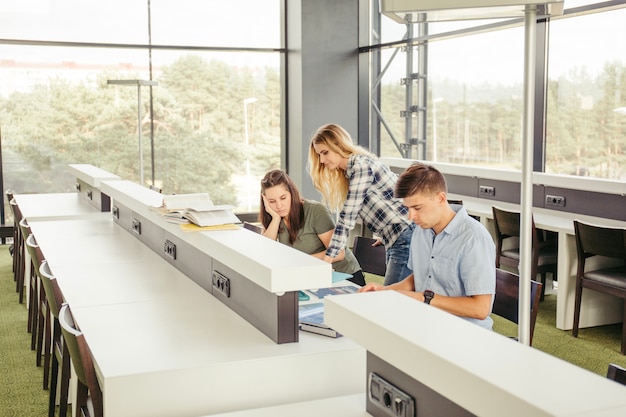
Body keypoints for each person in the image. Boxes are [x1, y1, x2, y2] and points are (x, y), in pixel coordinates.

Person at [359, 162, 496, 330]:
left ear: (441, 198)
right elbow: (419, 277)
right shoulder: (420, 231)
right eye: (408, 208)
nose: (411, 216)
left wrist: (424, 299)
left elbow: (481, 309)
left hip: (464, 333)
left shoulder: (474, 238)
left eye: (417, 207)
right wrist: (386, 291)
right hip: (427, 323)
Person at [308, 123, 413, 285]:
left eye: (325, 153)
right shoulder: (352, 173)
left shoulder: (361, 167)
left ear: (338, 145)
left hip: (405, 237)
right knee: (396, 299)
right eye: (319, 155)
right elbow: (388, 200)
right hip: (397, 237)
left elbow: (347, 217)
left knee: (392, 299)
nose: (322, 160)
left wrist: (329, 257)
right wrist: (386, 233)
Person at [259, 169, 366, 286]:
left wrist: (301, 261)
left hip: (344, 277)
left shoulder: (315, 211)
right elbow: (266, 251)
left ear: (292, 193)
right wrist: (275, 218)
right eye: (272, 201)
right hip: (311, 276)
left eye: (283, 198)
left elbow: (339, 253)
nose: (279, 205)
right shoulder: (275, 217)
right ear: (265, 201)